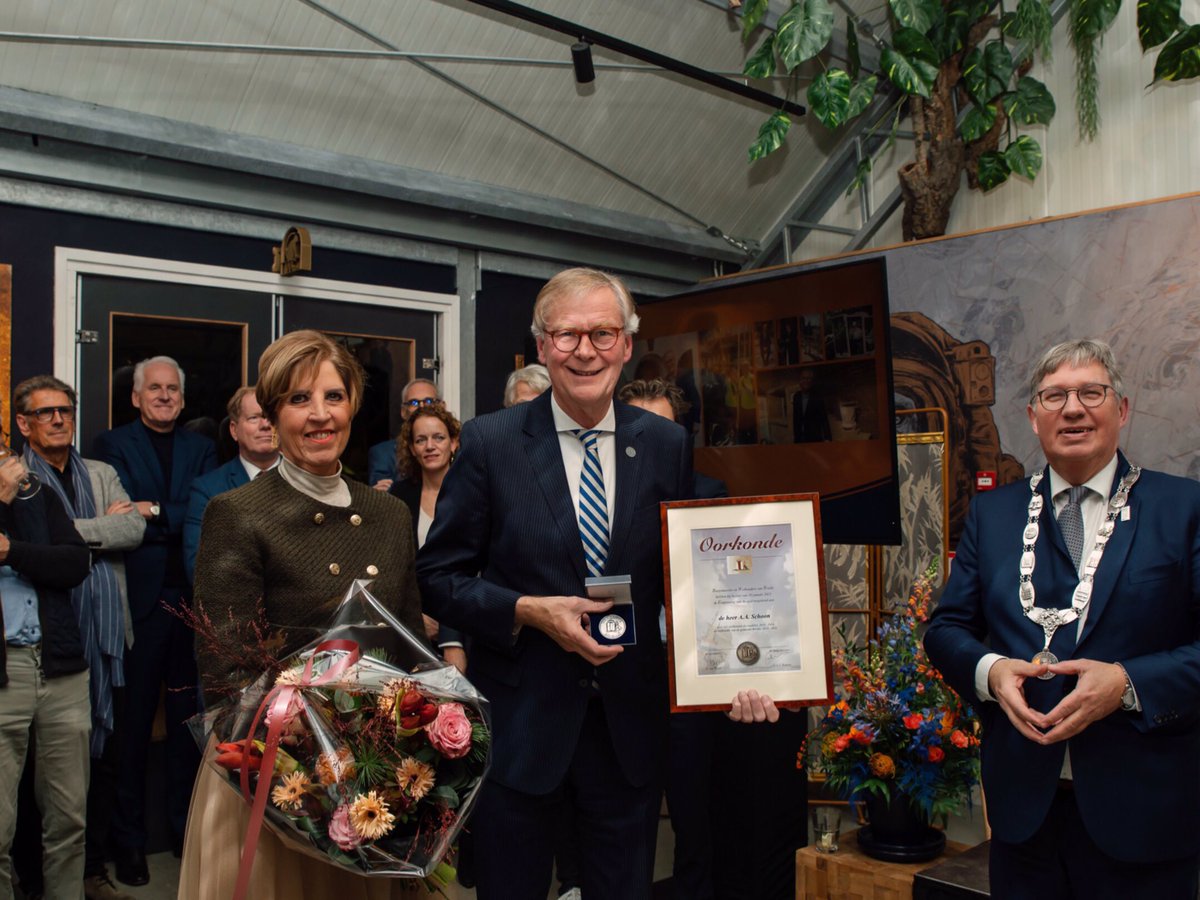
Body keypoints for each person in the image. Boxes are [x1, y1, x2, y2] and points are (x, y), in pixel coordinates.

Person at [417, 268, 775, 900]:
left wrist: (744, 666)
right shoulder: (490, 442)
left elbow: (684, 581)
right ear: (542, 345)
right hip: (525, 730)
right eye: (568, 335)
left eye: (603, 334)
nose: (586, 351)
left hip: (627, 732)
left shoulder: (665, 443)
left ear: (628, 344)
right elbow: (439, 579)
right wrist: (526, 609)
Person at [924, 339, 1200, 898]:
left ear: (1121, 409)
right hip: (1025, 818)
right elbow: (946, 629)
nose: (1072, 409)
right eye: (1054, 396)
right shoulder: (993, 514)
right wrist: (991, 671)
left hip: (1146, 816)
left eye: (1090, 392)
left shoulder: (1184, 510)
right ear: (1033, 417)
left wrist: (1126, 684)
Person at [176, 329, 427, 899]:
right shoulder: (238, 513)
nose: (320, 416)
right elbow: (225, 671)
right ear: (270, 414)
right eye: (298, 400)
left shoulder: (388, 513)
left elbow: (410, 647)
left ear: (354, 405)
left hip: (375, 779)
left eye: (333, 397)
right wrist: (301, 765)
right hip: (274, 782)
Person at [14, 375, 145, 900]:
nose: (59, 420)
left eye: (65, 410)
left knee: (103, 758)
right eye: (45, 413)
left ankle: (90, 870)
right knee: (30, 774)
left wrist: (67, 534)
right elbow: (28, 546)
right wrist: (93, 530)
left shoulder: (101, 471)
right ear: (24, 423)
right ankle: (30, 877)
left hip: (107, 640)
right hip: (46, 644)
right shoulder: (13, 479)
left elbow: (133, 530)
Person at [93, 355, 216, 886]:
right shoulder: (111, 445)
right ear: (137, 397)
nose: (165, 396)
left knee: (190, 728)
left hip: (190, 604)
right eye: (155, 389)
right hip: (138, 607)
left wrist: (154, 511)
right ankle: (130, 845)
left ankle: (185, 836)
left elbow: (202, 512)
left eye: (173, 389)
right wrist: (164, 515)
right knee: (133, 729)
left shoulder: (203, 447)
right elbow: (120, 522)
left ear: (183, 400)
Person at [0, 402, 93, 900]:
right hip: (5, 675)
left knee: (68, 820)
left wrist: (13, 547)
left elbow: (74, 563)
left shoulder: (36, 495)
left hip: (60, 668)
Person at [388, 405, 466, 672]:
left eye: (439, 438)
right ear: (411, 448)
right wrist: (415, 620)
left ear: (454, 443)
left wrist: (449, 632)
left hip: (470, 630)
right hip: (413, 631)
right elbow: (394, 571)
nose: (430, 446)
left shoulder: (474, 492)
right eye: (421, 440)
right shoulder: (397, 497)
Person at [182, 386, 279, 582]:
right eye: (254, 418)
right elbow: (198, 567)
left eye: (271, 417)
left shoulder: (306, 479)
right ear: (234, 430)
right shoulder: (208, 490)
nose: (265, 425)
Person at [368, 378, 442, 490]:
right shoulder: (382, 454)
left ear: (442, 406)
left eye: (428, 401)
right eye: (414, 403)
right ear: (403, 411)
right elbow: (384, 495)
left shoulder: (458, 447)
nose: (422, 407)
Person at [791, 367, 831, 443]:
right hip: (799, 440)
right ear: (800, 380)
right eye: (804, 378)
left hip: (814, 439)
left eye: (809, 378)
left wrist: (827, 438)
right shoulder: (796, 397)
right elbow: (795, 419)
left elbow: (824, 419)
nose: (806, 381)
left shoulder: (818, 397)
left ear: (812, 381)